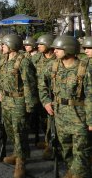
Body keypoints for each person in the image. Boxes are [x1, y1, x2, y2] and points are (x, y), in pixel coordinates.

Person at [39, 36, 92, 178]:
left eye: (58, 48)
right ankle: (72, 171)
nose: (54, 51)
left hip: (79, 117)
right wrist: (45, 101)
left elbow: (90, 95)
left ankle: (79, 174)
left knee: (82, 152)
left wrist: (91, 120)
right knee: (65, 149)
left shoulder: (85, 68)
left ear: (68, 49)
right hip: (60, 116)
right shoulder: (53, 66)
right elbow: (41, 83)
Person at [0, 34, 38, 178]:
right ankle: (16, 153)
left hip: (19, 101)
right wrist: (0, 91)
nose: (1, 47)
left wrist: (30, 105)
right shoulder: (3, 59)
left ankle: (21, 162)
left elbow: (29, 84)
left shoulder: (23, 62)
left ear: (11, 45)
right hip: (6, 100)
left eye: (3, 45)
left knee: (19, 131)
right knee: (9, 130)